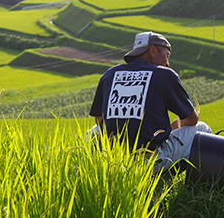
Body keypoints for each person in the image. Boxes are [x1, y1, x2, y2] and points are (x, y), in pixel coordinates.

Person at [89, 31, 211, 172]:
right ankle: (169, 178)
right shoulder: (165, 75)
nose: (167, 63)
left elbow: (99, 120)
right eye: (167, 55)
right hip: (148, 162)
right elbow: (191, 119)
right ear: (153, 50)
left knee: (91, 132)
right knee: (202, 129)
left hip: (110, 160)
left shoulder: (109, 74)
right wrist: (169, 130)